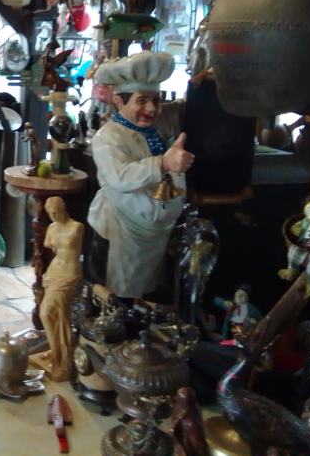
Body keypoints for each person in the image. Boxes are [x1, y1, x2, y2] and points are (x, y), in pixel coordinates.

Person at [86, 51, 194, 300]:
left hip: (158, 233)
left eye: (156, 100)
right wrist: (163, 163)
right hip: (122, 231)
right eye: (141, 100)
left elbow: (186, 106)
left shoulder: (161, 121)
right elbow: (119, 177)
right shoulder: (108, 137)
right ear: (119, 101)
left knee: (149, 294)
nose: (151, 108)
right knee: (116, 297)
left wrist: (199, 83)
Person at [39, 196, 84, 382]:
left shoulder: (77, 227)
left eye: (56, 212)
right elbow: (51, 249)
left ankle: (62, 359)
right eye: (50, 213)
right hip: (52, 274)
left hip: (69, 276)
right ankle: (56, 350)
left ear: (63, 208)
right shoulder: (51, 228)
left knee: (47, 313)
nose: (53, 216)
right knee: (53, 315)